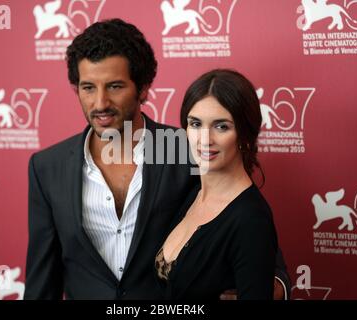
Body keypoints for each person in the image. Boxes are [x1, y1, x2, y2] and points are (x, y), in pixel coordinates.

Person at [24, 18, 290, 300]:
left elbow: (256, 242)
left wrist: (264, 290)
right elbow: (43, 279)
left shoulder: (188, 149)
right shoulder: (47, 168)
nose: (100, 103)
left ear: (143, 88)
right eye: (88, 87)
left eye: (115, 86)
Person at [155, 69, 279, 299]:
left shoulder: (251, 219)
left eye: (221, 126)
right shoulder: (190, 193)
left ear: (245, 135)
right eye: (195, 124)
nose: (204, 139)